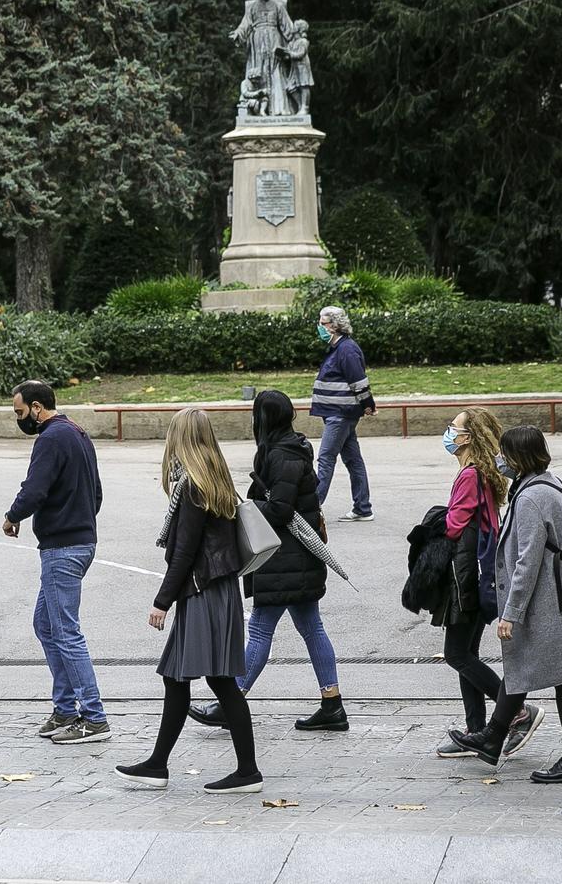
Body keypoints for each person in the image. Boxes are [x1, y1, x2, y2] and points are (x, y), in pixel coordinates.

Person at [115, 408, 261, 795]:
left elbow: (184, 553)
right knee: (204, 678)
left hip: (203, 591)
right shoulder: (215, 480)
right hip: (217, 589)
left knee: (198, 678)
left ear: (181, 440)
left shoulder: (193, 486)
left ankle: (231, 770)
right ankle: (163, 765)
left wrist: (161, 601)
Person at [446, 426, 562, 783]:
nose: (499, 460)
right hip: (557, 593)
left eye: (504, 454)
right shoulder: (546, 483)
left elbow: (527, 561)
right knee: (526, 668)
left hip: (547, 598)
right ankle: (494, 737)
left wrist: (510, 613)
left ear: (518, 457)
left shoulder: (531, 498)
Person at [191, 390, 343, 732]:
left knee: (260, 628)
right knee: (311, 628)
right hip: (295, 558)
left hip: (285, 558)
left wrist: (242, 507)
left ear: (265, 419)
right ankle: (332, 703)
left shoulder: (282, 455)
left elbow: (280, 509)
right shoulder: (290, 448)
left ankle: (232, 701)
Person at [430, 408, 542, 759]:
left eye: (455, 428)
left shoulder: (470, 475)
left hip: (468, 578)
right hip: (483, 574)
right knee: (467, 653)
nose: (449, 433)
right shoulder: (483, 473)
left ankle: (516, 711)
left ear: (468, 438)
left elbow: (454, 526)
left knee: (456, 654)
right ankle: (476, 729)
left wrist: (434, 523)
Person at [3, 381, 109, 745]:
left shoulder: (49, 439)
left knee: (65, 631)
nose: (20, 420)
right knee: (46, 625)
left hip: (63, 548)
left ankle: (94, 717)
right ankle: (65, 708)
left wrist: (13, 515)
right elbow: (96, 493)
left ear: (36, 407)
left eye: (20, 413)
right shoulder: (78, 433)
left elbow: (35, 488)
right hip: (79, 542)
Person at [311, 306, 376, 522]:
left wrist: (368, 403)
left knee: (326, 458)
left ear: (335, 325)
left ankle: (312, 507)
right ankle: (362, 507)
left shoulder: (346, 350)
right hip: (338, 413)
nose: (319, 327)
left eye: (323, 323)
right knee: (353, 459)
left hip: (340, 415)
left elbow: (358, 381)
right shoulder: (337, 348)